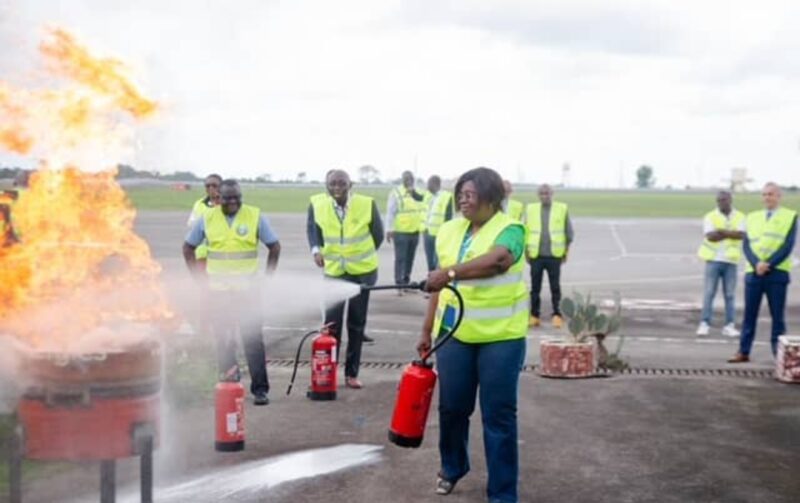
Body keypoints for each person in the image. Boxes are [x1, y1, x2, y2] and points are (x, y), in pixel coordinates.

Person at [418, 167, 528, 503]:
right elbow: (439, 284)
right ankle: (452, 468)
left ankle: (503, 493)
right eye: (460, 194)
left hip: (501, 338)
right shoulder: (449, 230)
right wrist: (427, 330)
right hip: (454, 336)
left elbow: (499, 261)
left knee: (498, 416)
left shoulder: (511, 230)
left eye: (471, 194)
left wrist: (450, 272)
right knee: (452, 409)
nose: (463, 200)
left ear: (492, 198)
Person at [183, 179, 281, 405]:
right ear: (219, 198)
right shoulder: (206, 218)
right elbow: (187, 247)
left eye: (237, 196)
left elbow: (274, 246)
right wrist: (199, 280)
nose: (233, 201)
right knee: (224, 339)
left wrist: (267, 278)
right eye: (228, 197)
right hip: (218, 292)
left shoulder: (255, 215)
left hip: (248, 293)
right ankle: (229, 384)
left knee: (253, 341)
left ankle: (260, 390)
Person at [307, 170, 384, 388]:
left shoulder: (367, 203)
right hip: (334, 272)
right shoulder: (317, 204)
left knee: (356, 324)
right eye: (332, 183)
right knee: (331, 325)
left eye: (342, 183)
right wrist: (316, 250)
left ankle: (351, 373)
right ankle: (328, 371)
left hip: (363, 271)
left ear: (351, 185)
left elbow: (377, 235)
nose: (337, 187)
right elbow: (313, 230)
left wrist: (359, 256)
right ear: (326, 185)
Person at [729, 182, 797, 363]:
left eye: (771, 194)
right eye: (764, 194)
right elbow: (747, 244)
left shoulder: (790, 216)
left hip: (776, 274)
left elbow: (787, 246)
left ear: (779, 196)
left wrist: (769, 264)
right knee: (749, 315)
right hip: (754, 273)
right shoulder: (752, 217)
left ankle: (778, 354)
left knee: (777, 317)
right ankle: (743, 351)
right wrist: (756, 263)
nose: (767, 197)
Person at [696, 190, 745, 337]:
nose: (721, 203)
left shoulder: (740, 216)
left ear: (730, 200)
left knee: (730, 295)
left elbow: (742, 235)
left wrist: (722, 231)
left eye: (723, 200)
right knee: (709, 293)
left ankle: (729, 325)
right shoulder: (710, 216)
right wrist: (731, 233)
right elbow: (710, 237)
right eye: (718, 200)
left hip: (730, 261)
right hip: (713, 260)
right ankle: (704, 323)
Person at [525, 184, 574, 328]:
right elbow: (525, 231)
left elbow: (569, 233)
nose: (545, 196)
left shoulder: (561, 208)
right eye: (542, 193)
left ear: (552, 194)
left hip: (554, 255)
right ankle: (534, 315)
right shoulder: (531, 209)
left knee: (555, 287)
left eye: (547, 193)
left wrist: (565, 251)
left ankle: (557, 315)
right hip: (536, 255)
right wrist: (526, 251)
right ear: (538, 195)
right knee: (535, 288)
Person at [386, 170, 425, 293]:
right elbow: (390, 213)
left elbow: (424, 208)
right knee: (400, 259)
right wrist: (389, 229)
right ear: (402, 180)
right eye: (406, 178)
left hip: (415, 231)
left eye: (410, 178)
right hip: (401, 232)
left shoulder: (419, 192)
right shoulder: (396, 192)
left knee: (410, 258)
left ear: (413, 179)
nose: (409, 180)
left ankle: (406, 282)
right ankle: (399, 285)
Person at [187, 174, 223, 271]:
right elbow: (191, 224)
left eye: (214, 185)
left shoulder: (227, 204)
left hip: (220, 254)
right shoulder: (199, 204)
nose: (211, 188)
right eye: (208, 186)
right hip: (202, 254)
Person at [422, 175, 454, 272]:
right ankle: (430, 278)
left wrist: (445, 234)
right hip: (427, 233)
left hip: (439, 234)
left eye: (429, 184)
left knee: (437, 261)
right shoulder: (428, 196)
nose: (427, 186)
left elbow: (448, 217)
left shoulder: (446, 196)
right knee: (429, 261)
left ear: (435, 184)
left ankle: (436, 281)